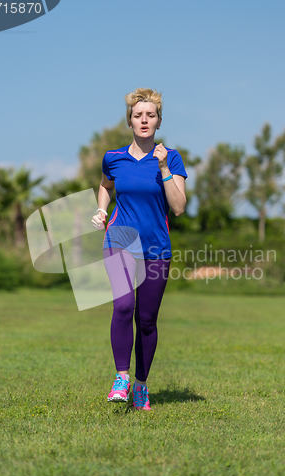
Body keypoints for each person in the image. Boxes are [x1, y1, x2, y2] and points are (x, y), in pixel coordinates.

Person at [92, 88, 187, 410]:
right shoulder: (113, 158)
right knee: (122, 307)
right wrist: (102, 209)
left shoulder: (171, 157)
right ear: (129, 121)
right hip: (119, 240)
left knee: (146, 320)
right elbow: (106, 187)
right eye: (138, 115)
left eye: (150, 115)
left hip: (156, 248)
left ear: (159, 121)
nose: (144, 120)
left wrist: (163, 169)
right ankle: (121, 376)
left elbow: (178, 207)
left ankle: (141, 385)